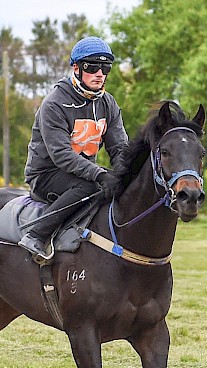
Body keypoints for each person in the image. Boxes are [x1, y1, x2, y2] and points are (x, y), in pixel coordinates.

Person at [18, 35, 128, 260]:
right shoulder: (55, 104)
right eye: (92, 66)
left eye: (105, 67)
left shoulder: (108, 103)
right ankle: (36, 235)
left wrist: (126, 175)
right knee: (92, 187)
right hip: (47, 174)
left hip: (81, 175)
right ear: (76, 68)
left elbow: (119, 148)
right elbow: (62, 156)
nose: (99, 73)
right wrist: (100, 174)